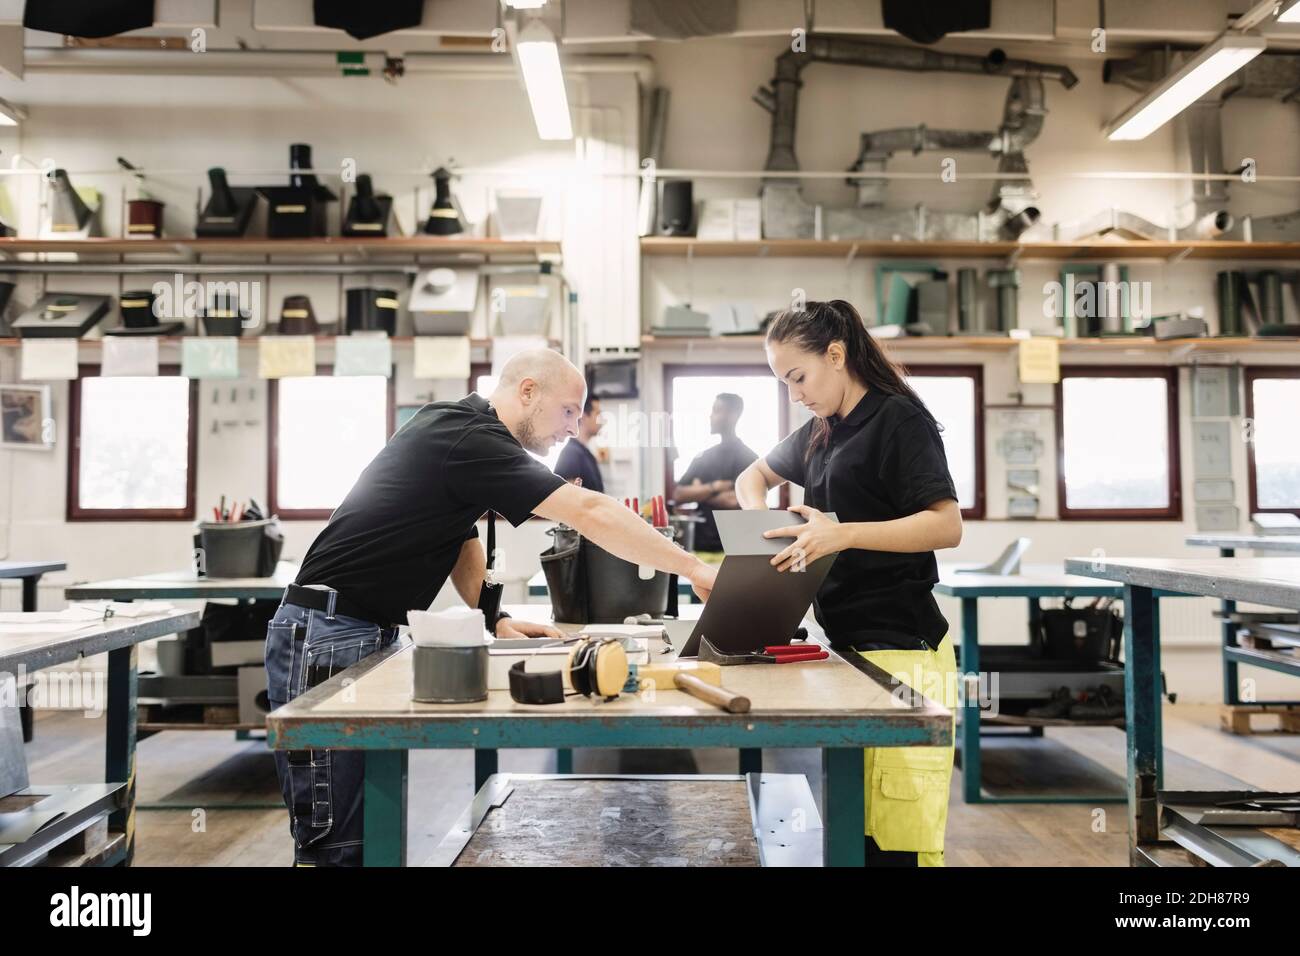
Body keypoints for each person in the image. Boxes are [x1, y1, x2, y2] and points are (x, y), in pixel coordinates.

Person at [264, 348, 717, 866]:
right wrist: (694, 568)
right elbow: (590, 511)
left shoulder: (461, 431)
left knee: (361, 830)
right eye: (569, 411)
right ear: (528, 391)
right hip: (329, 632)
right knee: (334, 843)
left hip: (351, 630)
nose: (573, 428)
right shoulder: (469, 436)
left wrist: (493, 617)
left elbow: (460, 537)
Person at [734, 300, 962, 867]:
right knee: (855, 835)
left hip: (903, 651)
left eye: (798, 377)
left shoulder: (898, 420)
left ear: (836, 355)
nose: (795, 394)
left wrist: (842, 534)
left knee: (896, 845)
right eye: (784, 383)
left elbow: (946, 525)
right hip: (848, 650)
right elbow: (751, 476)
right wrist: (763, 527)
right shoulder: (823, 430)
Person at [672, 393, 757, 554]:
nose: (710, 416)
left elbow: (734, 501)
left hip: (733, 548)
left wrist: (699, 492)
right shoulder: (704, 456)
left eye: (716, 410)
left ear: (733, 415)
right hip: (700, 546)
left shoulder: (749, 458)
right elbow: (679, 494)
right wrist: (716, 487)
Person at [554, 395, 604, 492]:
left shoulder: (586, 454)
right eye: (598, 414)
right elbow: (567, 496)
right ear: (584, 416)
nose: (601, 420)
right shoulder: (571, 453)